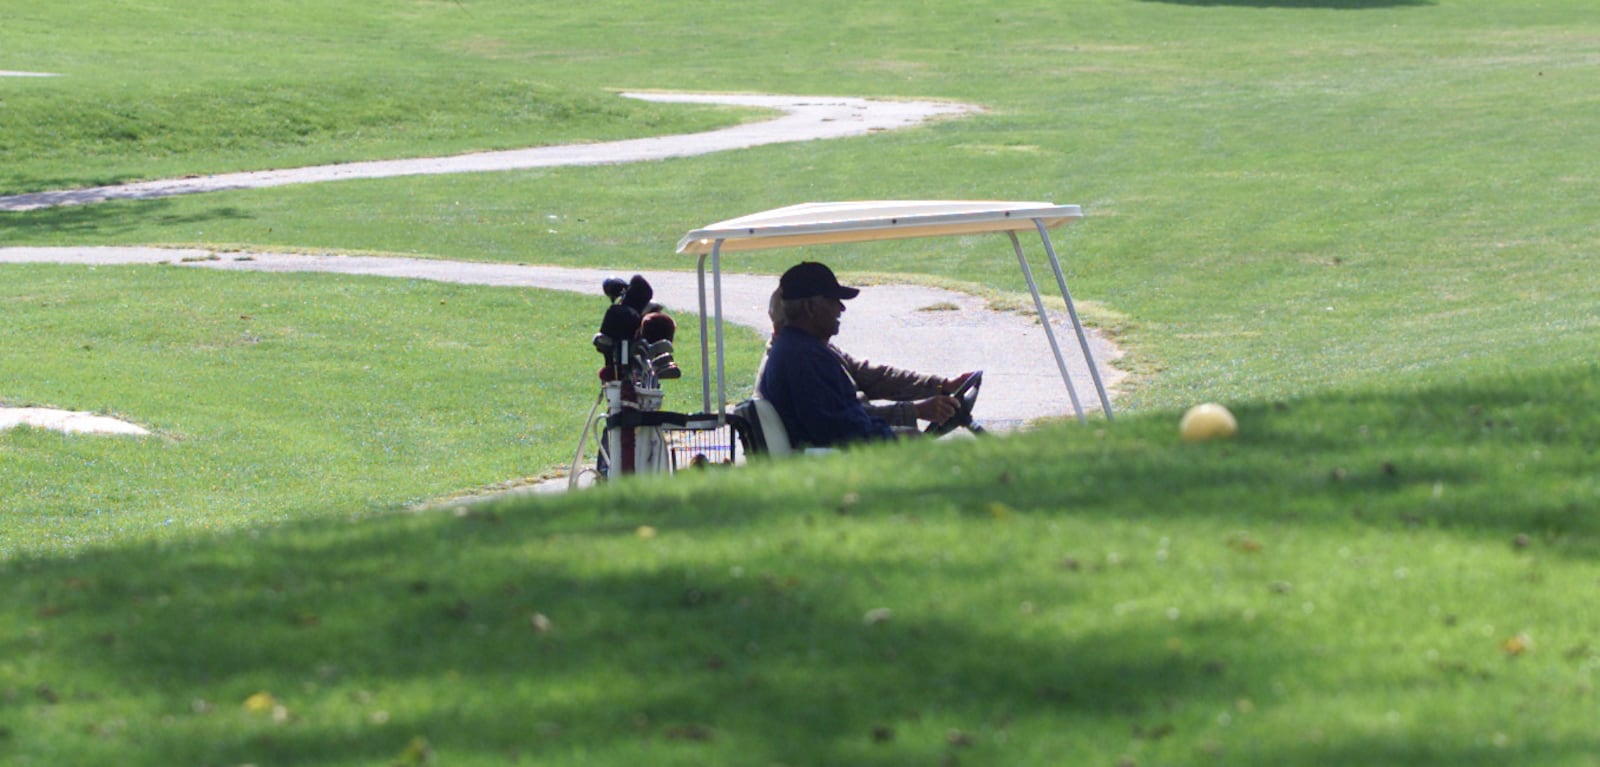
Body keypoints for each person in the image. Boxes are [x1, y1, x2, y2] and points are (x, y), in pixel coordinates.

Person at [757, 262, 973, 447]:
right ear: (810, 307)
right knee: (914, 442)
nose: (841, 308)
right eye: (833, 301)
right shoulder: (805, 358)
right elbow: (842, 429)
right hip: (830, 459)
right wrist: (911, 417)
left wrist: (942, 385)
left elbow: (874, 379)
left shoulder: (811, 350)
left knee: (910, 438)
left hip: (832, 446)